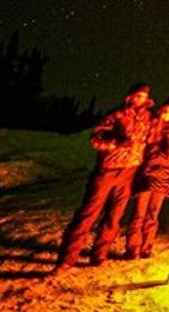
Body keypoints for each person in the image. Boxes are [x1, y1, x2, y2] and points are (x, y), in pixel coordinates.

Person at [53, 82, 154, 273]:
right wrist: (115, 144)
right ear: (130, 97)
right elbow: (95, 139)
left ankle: (99, 254)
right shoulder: (117, 115)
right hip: (108, 170)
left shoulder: (149, 119)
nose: (140, 99)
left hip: (129, 172)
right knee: (89, 213)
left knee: (114, 216)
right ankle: (66, 259)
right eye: (137, 96)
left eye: (143, 97)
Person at [124, 96, 169, 259]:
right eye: (164, 110)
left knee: (153, 214)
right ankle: (133, 248)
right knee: (139, 214)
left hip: (163, 177)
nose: (166, 114)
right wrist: (154, 155)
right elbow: (141, 147)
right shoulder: (151, 126)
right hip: (147, 174)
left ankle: (146, 247)